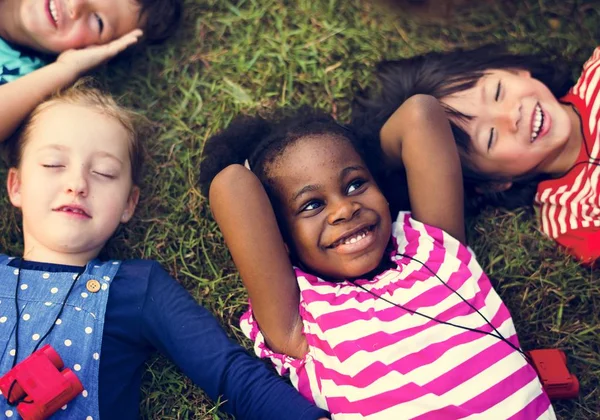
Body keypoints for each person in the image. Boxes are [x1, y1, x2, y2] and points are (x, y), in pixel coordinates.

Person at [202, 95, 554, 419]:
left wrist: (364, 148)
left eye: (355, 184)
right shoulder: (300, 321)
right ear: (279, 237)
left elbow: (421, 114)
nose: (345, 208)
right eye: (311, 204)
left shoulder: (435, 252)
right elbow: (232, 184)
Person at [0, 81, 331, 420]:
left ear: (129, 203)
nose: (78, 184)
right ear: (17, 185)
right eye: (53, 164)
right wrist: (66, 67)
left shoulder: (135, 287)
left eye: (104, 172)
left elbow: (228, 372)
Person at [353, 45, 600, 264]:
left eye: (497, 92)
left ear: (515, 70)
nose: (511, 117)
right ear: (496, 182)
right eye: (491, 137)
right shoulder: (569, 217)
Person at [0, 0, 182, 142]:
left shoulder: (27, 81)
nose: (76, 4)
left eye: (98, 21)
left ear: (91, 49)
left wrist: (66, 68)